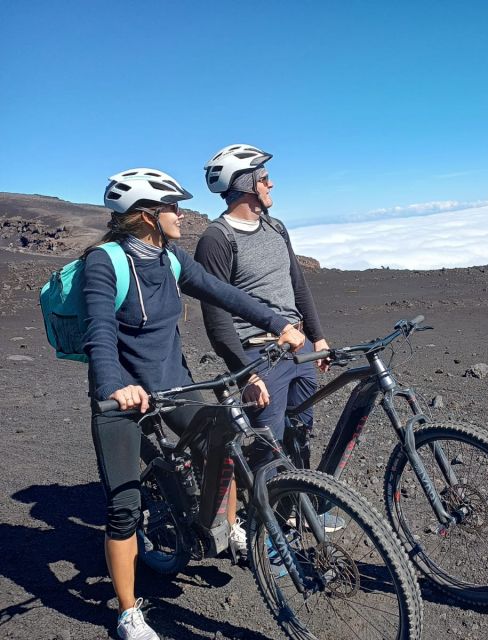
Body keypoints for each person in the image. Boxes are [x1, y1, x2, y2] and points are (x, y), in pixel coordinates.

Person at [85, 168, 303, 640]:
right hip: (122, 397)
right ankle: (128, 612)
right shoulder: (104, 262)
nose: (181, 215)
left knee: (222, 437)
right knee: (123, 504)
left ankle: (227, 529)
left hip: (172, 385)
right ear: (146, 216)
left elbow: (222, 292)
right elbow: (99, 332)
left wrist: (277, 322)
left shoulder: (170, 257)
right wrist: (112, 386)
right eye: (172, 208)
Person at [193, 144, 342, 531]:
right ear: (244, 184)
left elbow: (297, 284)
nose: (270, 182)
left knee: (300, 431)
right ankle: (267, 527)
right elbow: (216, 315)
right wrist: (245, 373)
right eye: (262, 177)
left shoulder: (276, 226)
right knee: (268, 443)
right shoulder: (217, 239)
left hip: (299, 348)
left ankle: (297, 507)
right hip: (259, 356)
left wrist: (318, 338)